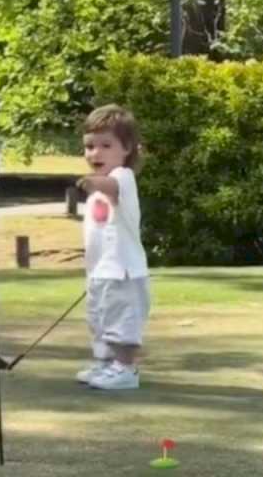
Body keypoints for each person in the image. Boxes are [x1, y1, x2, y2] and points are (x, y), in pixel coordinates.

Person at [74, 104, 151, 390]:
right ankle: (106, 365)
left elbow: (110, 186)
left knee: (122, 321)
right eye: (90, 146)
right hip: (101, 272)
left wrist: (91, 182)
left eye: (106, 145)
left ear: (127, 148)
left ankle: (126, 369)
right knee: (100, 319)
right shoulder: (97, 193)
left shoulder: (122, 178)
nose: (96, 153)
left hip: (124, 271)